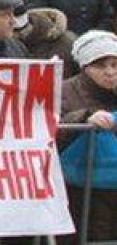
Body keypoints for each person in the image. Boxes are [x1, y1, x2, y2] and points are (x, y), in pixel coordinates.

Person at [59, 30, 117, 240]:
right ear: (84, 67)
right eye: (100, 65)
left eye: (114, 64)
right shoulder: (64, 91)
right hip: (79, 188)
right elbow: (53, 128)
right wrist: (84, 118)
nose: (110, 72)